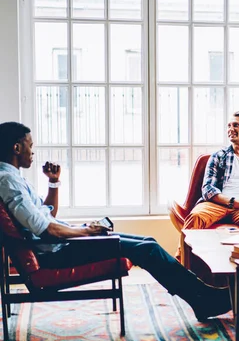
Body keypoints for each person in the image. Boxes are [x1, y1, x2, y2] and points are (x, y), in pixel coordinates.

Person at [0, 121, 227, 322]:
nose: (33, 152)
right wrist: (87, 232)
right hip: (58, 253)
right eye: (30, 145)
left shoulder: (15, 179)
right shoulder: (8, 182)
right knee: (147, 249)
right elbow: (47, 230)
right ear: (16, 147)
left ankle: (201, 296)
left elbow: (49, 215)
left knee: (148, 241)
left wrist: (53, 183)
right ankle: (203, 299)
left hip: (63, 244)